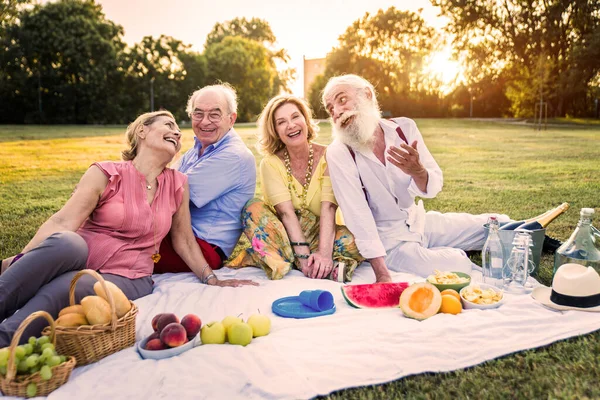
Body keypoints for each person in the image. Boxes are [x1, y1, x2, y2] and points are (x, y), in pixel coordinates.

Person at [0, 111, 256, 346]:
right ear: (142, 131)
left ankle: (7, 337)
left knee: (73, 285)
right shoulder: (106, 172)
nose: (177, 133)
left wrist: (211, 278)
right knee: (69, 242)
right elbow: (62, 222)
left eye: (179, 131)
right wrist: (23, 260)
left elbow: (184, 240)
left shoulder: (178, 183)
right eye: (169, 125)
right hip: (82, 254)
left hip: (129, 275)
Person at [322, 74, 510, 282]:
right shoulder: (339, 152)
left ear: (367, 95)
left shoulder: (404, 128)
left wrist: (418, 171)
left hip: (419, 221)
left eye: (342, 100)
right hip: (391, 244)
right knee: (459, 265)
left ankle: (528, 239)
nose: (337, 112)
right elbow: (357, 215)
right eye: (331, 110)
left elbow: (434, 185)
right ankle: (444, 251)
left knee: (498, 224)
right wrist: (382, 274)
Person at [227, 95, 364, 281]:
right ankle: (304, 263)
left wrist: (324, 253)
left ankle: (285, 260)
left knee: (357, 240)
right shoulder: (270, 163)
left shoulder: (330, 156)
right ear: (275, 131)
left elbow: (329, 207)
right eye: (281, 122)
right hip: (282, 233)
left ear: (306, 120)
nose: (291, 125)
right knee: (252, 208)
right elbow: (286, 214)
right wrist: (303, 257)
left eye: (295, 117)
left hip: (320, 232)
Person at [154, 84, 257, 274]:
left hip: (202, 248)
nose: (205, 122)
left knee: (122, 250)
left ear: (231, 119)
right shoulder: (198, 148)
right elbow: (163, 180)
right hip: (177, 236)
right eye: (198, 114)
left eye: (215, 115)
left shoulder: (233, 155)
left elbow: (167, 192)